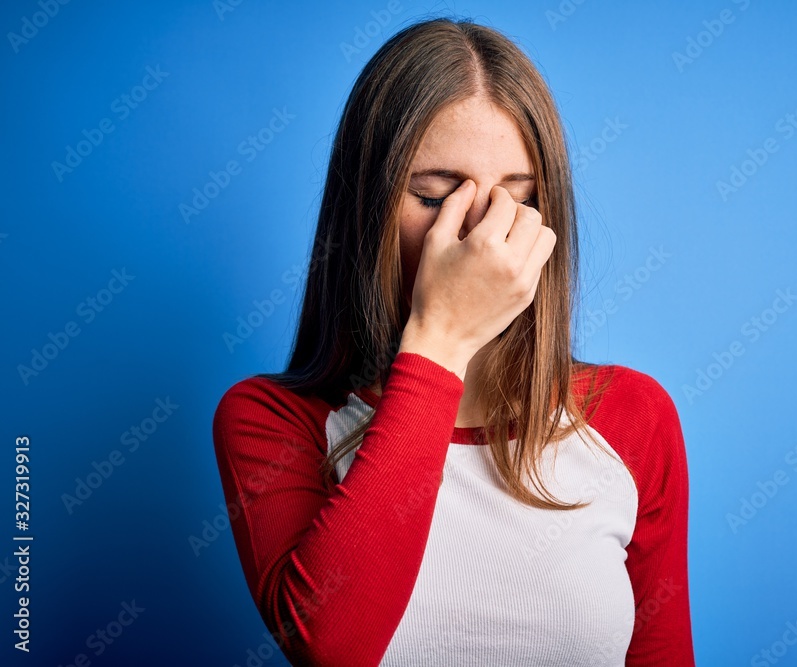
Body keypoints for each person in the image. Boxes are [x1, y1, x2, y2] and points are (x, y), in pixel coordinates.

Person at [212, 16, 695, 667]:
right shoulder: (273, 422)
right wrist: (441, 340)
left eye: (515, 198)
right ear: (366, 207)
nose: (478, 231)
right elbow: (333, 644)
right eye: (435, 195)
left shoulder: (633, 415)